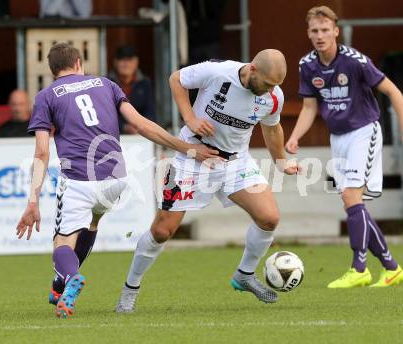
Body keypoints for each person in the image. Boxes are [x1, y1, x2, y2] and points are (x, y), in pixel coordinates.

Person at [15, 43, 219, 319]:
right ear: (78, 62)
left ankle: (69, 277)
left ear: (54, 71)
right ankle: (61, 283)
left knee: (62, 242)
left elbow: (42, 150)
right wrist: (187, 149)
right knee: (94, 220)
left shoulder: (46, 96)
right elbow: (142, 124)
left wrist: (32, 201)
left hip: (78, 180)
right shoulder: (106, 84)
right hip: (116, 179)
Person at [115, 49, 299, 313]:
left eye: (276, 86)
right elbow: (176, 79)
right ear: (253, 69)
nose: (271, 91)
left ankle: (244, 275)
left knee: (269, 217)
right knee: (161, 231)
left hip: (235, 162)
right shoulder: (218, 71)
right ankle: (129, 291)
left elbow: (272, 129)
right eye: (268, 84)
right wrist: (190, 118)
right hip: (192, 156)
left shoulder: (273, 97)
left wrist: (281, 161)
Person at [285, 6, 403, 288]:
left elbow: (394, 92)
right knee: (353, 203)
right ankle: (392, 268)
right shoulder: (307, 65)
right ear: (308, 33)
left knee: (352, 198)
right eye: (315, 30)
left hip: (364, 131)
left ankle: (359, 268)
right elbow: (310, 107)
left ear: (336, 31)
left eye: (325, 30)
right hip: (337, 137)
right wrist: (295, 136)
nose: (320, 35)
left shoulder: (355, 61)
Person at [108, 45, 155, 134]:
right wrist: (123, 127)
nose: (126, 64)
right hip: (112, 135)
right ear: (115, 62)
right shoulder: (106, 83)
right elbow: (104, 114)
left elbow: (150, 111)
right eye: (122, 60)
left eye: (129, 60)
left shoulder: (145, 83)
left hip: (141, 134)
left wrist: (140, 126)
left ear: (136, 62)